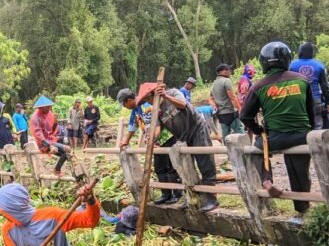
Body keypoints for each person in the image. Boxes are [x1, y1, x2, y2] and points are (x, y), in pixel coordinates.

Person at [241, 41, 315, 214]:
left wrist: (259, 130)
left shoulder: (258, 86)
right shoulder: (302, 80)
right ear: (287, 59)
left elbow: (245, 116)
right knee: (300, 171)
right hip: (302, 137)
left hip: (275, 139)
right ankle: (302, 206)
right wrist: (308, 131)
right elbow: (312, 112)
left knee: (258, 148)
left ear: (263, 62)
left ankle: (267, 179)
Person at [118, 84, 219, 212]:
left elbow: (183, 104)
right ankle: (193, 198)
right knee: (186, 168)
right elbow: (158, 127)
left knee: (205, 163)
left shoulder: (172, 93)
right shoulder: (156, 110)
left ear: (154, 94)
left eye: (149, 100)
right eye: (147, 102)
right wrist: (152, 138)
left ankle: (212, 199)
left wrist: (165, 96)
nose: (149, 103)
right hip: (182, 137)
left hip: (197, 129)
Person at [289, 42, 329, 130]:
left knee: (300, 126)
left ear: (300, 52)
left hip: (298, 100)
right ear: (312, 53)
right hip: (315, 99)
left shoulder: (292, 66)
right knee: (317, 126)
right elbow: (324, 86)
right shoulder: (319, 66)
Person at [31, 96, 71, 177]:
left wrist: (57, 135)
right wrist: (49, 145)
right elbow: (38, 134)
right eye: (47, 107)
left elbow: (54, 127)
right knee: (67, 148)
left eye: (50, 106)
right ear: (41, 107)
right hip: (43, 143)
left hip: (51, 139)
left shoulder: (50, 114)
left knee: (67, 153)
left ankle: (57, 170)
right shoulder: (35, 118)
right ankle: (57, 170)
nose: (49, 108)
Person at [209, 64, 245, 138]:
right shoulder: (226, 81)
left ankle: (227, 149)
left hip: (221, 114)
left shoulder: (214, 83)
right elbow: (232, 97)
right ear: (221, 72)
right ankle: (241, 149)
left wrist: (215, 106)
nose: (229, 71)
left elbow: (210, 98)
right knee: (240, 133)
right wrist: (240, 109)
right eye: (227, 69)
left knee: (225, 135)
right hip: (231, 112)